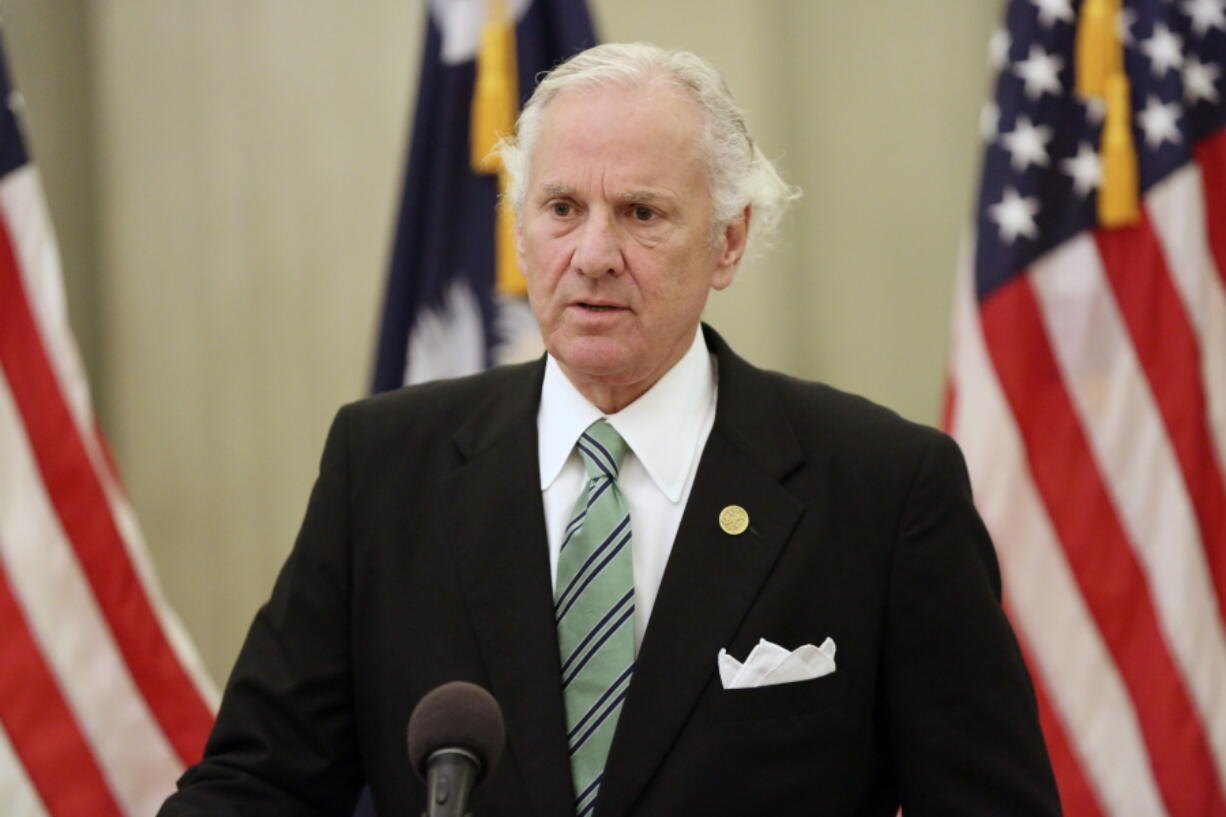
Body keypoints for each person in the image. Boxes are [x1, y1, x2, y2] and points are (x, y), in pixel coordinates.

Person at [159, 43, 1061, 817]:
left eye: (641, 213)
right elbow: (255, 785)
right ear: (520, 233)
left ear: (731, 240)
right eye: (561, 209)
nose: (593, 254)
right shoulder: (385, 467)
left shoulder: (882, 488)